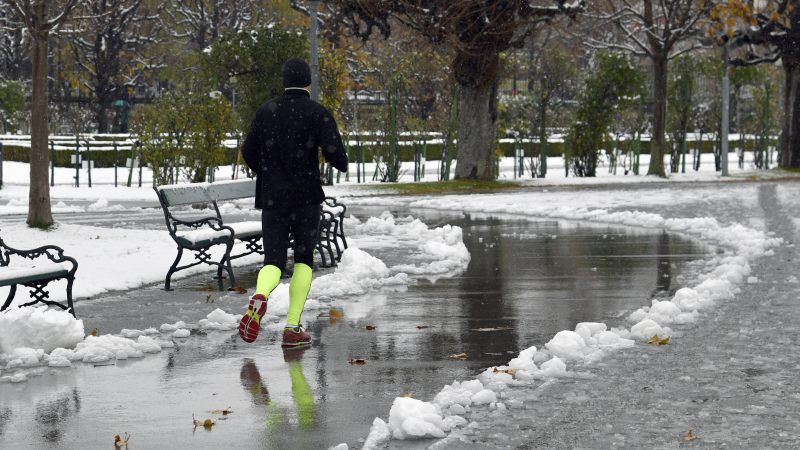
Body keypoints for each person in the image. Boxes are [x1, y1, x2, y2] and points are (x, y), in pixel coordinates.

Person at [238, 58, 348, 347]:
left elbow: (248, 150)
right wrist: (330, 157)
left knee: (273, 260)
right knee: (303, 260)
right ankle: (292, 327)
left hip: (273, 198)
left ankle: (260, 296)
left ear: (284, 81)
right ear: (308, 82)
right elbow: (338, 157)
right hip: (306, 197)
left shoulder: (266, 112)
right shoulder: (317, 113)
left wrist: (269, 170)